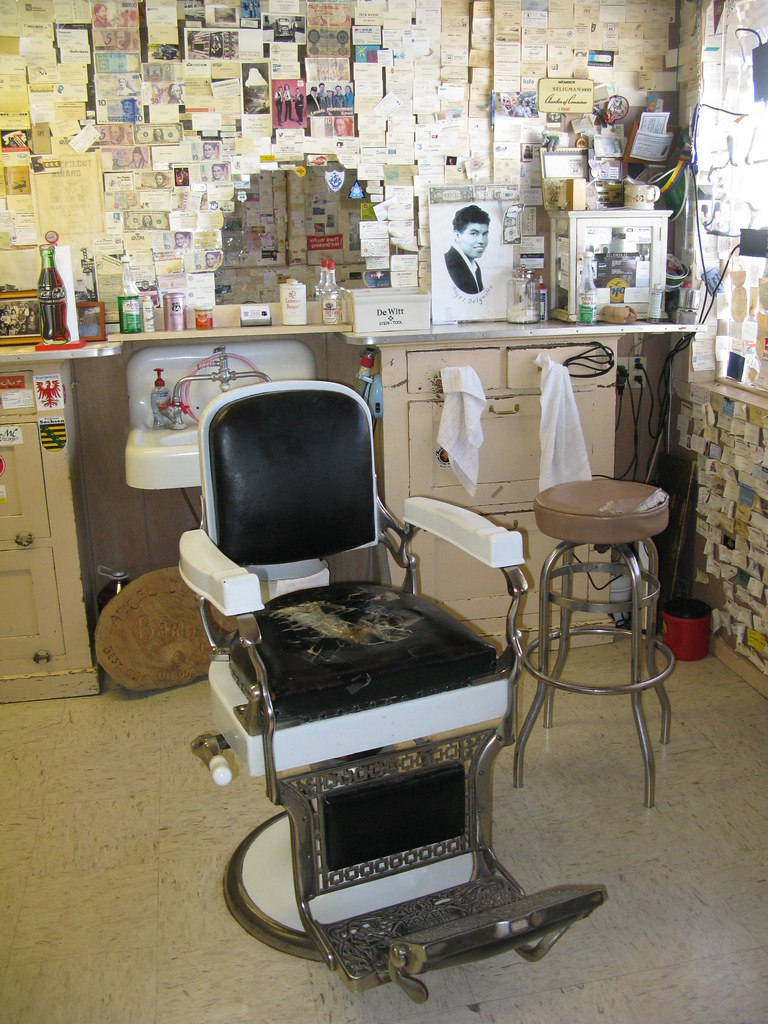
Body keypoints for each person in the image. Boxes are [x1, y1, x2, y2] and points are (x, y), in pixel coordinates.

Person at [443, 204, 490, 294]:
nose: (481, 241)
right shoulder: (450, 264)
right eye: (474, 233)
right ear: (457, 235)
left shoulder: (475, 266)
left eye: (485, 234)